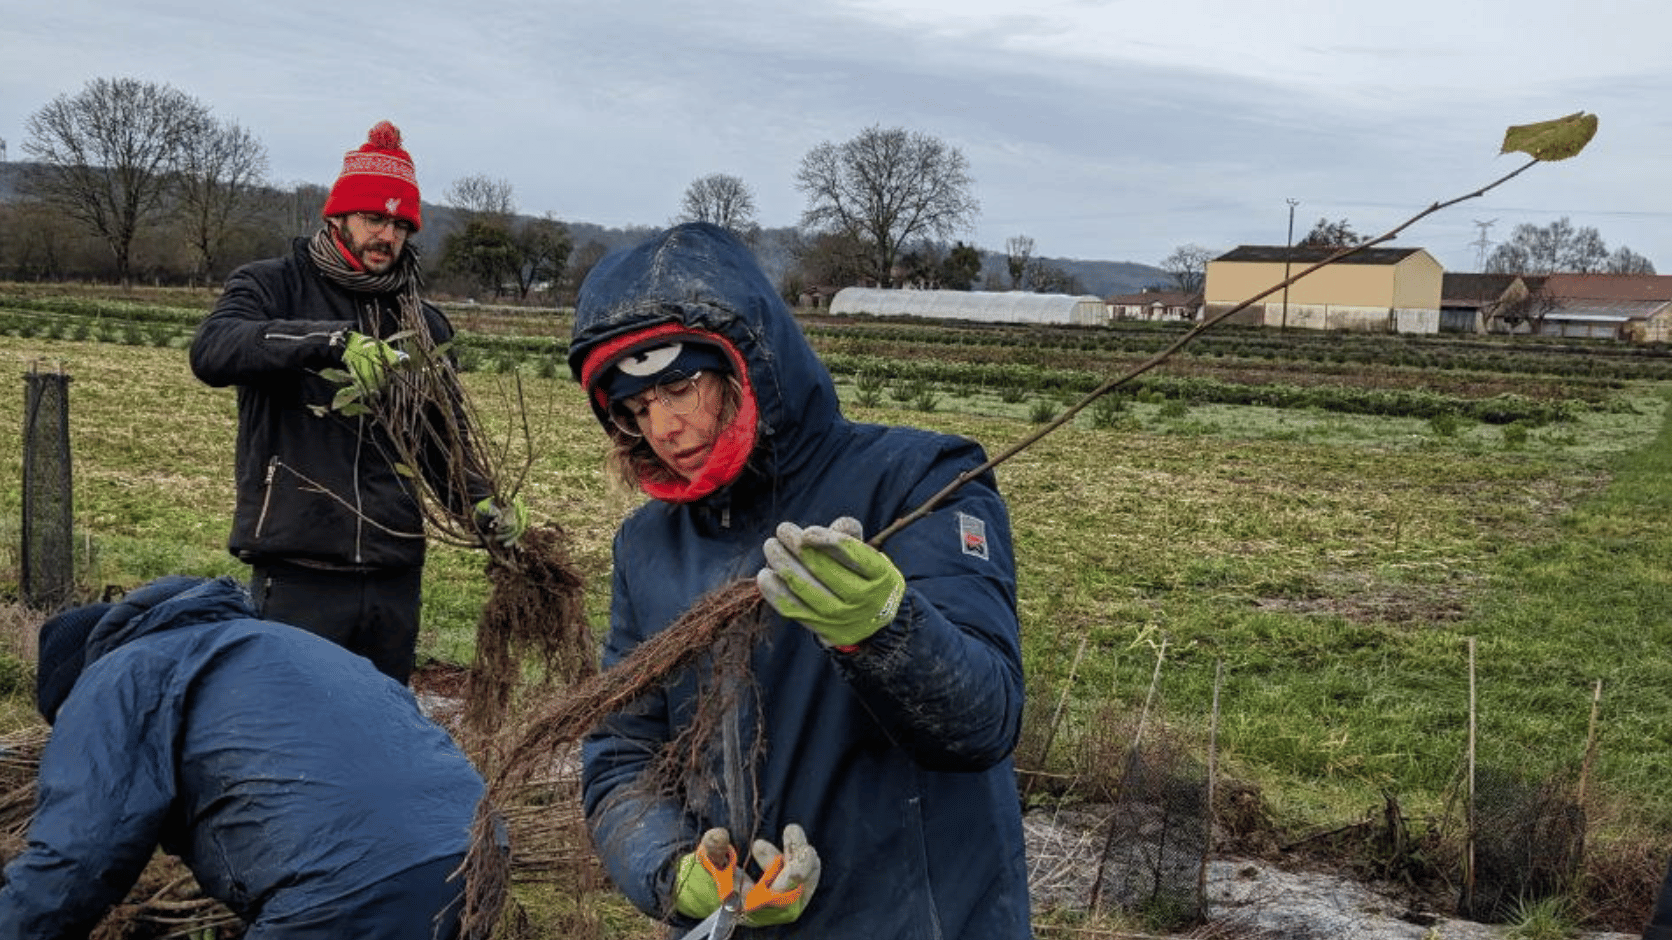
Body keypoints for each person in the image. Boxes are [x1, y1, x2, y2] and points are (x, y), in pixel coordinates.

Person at [572, 222, 1032, 939]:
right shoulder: (646, 546)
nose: (661, 426)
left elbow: (986, 721)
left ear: (745, 363)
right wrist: (671, 867)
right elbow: (623, 749)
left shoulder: (921, 481)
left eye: (679, 388)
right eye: (634, 409)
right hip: (741, 921)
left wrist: (887, 628)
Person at [189, 120, 523, 684]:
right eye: (374, 218)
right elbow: (213, 351)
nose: (386, 236)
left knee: (381, 735)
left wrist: (482, 504)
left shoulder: (423, 322)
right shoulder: (271, 287)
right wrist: (330, 342)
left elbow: (441, 443)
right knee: (294, 731)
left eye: (400, 224)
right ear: (338, 215)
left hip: (393, 573)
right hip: (300, 567)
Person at [0, 575, 488, 939]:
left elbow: (75, 858)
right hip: (475, 856)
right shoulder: (280, 642)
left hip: (351, 886)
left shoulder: (117, 675)